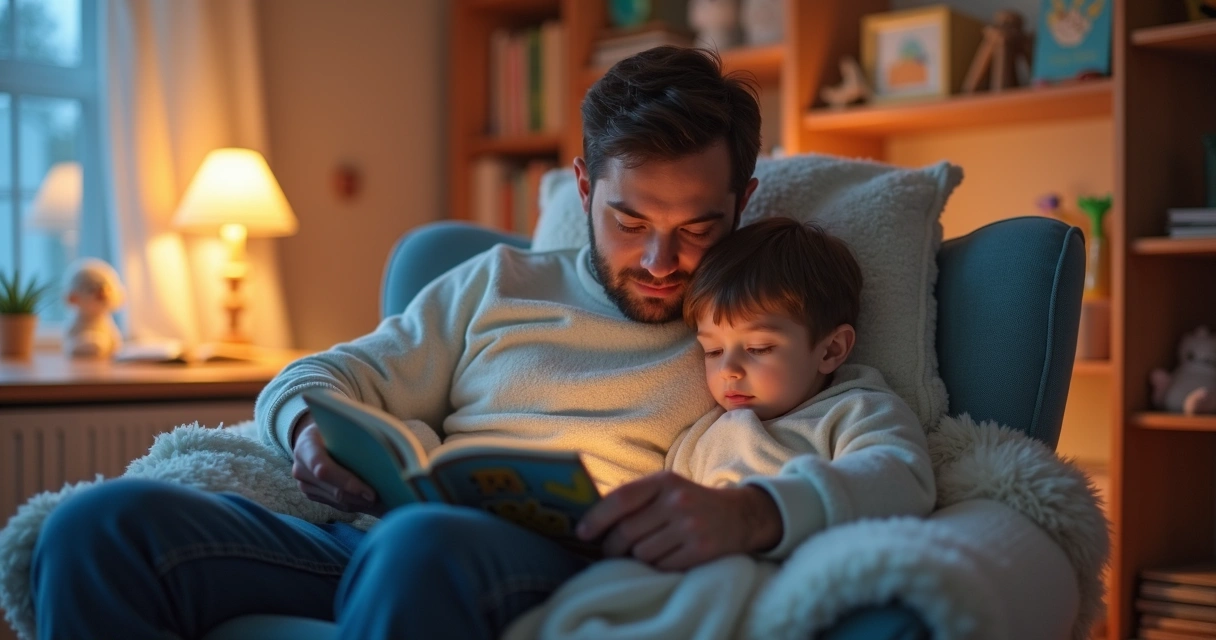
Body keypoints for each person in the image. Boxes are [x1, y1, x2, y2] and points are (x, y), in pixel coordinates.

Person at [30, 46, 771, 640]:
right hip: (383, 543)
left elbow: (874, 458)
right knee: (95, 530)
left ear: (743, 201)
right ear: (582, 188)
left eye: (698, 229)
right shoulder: (499, 281)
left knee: (421, 546)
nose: (659, 263)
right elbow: (322, 374)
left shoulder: (763, 324)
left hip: (557, 568)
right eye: (631, 223)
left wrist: (751, 514)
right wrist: (307, 431)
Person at [666, 217, 935, 546]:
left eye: (758, 348)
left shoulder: (856, 410)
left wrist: (770, 511)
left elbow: (901, 480)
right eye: (712, 350)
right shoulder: (703, 436)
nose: (728, 370)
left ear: (830, 350)